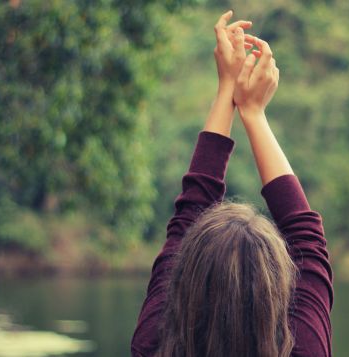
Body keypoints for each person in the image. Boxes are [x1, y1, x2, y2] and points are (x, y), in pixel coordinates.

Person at [131, 11, 333, 357]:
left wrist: (227, 89)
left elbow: (188, 214)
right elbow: (308, 239)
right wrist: (253, 112)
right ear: (277, 290)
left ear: (186, 279)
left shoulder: (155, 346)